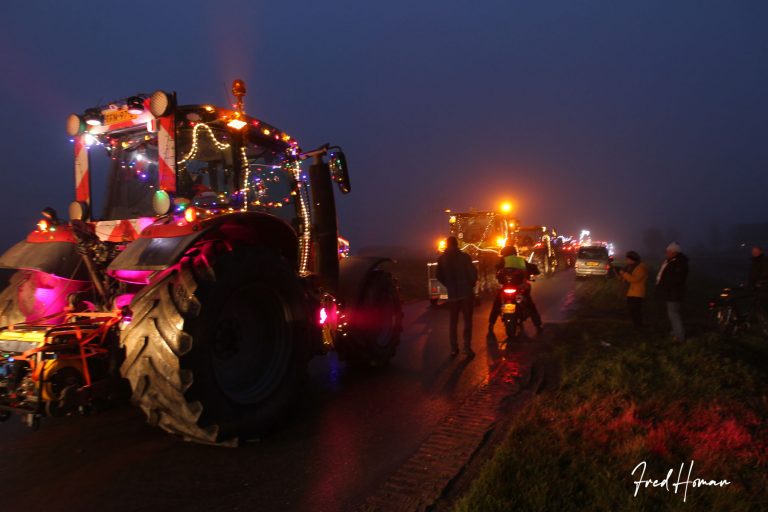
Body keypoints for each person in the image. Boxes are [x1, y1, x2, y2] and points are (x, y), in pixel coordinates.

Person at [487, 242, 543, 336]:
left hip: (506, 287)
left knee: (497, 304)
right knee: (530, 304)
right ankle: (538, 325)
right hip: (520, 287)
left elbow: (496, 270)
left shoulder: (502, 261)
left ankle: (491, 324)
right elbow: (533, 269)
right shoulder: (521, 260)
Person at [437, 236, 478, 358]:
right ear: (457, 244)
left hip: (453, 294)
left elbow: (438, 275)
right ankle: (467, 347)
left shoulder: (442, 259)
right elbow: (472, 273)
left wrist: (448, 284)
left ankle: (454, 348)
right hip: (466, 293)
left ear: (448, 245)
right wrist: (471, 285)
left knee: (453, 322)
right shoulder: (464, 257)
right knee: (467, 321)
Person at [655, 242, 688, 341]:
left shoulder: (679, 263)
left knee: (674, 314)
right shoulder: (671, 261)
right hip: (671, 292)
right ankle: (675, 332)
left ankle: (680, 337)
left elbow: (676, 279)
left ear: (674, 252)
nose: (666, 253)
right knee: (672, 314)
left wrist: (666, 286)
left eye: (668, 251)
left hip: (674, 293)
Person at [618, 251, 647, 328]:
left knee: (636, 310)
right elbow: (626, 277)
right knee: (632, 310)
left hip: (637, 293)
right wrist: (621, 275)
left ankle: (639, 326)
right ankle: (636, 325)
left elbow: (634, 279)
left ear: (632, 259)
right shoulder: (630, 266)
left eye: (628, 259)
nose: (626, 261)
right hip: (631, 292)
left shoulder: (640, 267)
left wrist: (623, 274)